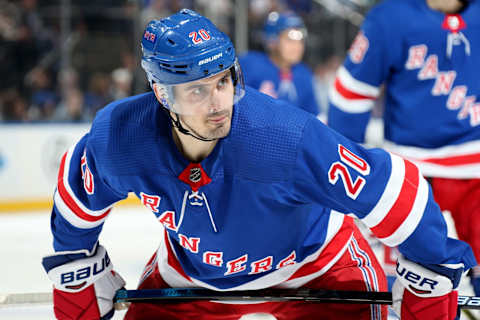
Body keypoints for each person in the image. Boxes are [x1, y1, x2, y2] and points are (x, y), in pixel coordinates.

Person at [41, 9, 475, 320]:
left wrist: (429, 271)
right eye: (196, 91)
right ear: (160, 93)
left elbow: (399, 190)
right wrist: (78, 266)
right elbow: (77, 197)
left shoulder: (286, 138)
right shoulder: (121, 137)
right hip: (192, 275)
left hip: (315, 268)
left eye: (223, 82)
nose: (218, 104)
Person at [327, 0, 480, 298]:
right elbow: (350, 97)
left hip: (476, 171)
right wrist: (344, 182)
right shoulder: (390, 19)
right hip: (414, 176)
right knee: (415, 287)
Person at [239, 11, 320, 116]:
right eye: (290, 40)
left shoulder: (303, 73)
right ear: (272, 41)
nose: (297, 46)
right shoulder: (250, 64)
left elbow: (313, 117)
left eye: (301, 40)